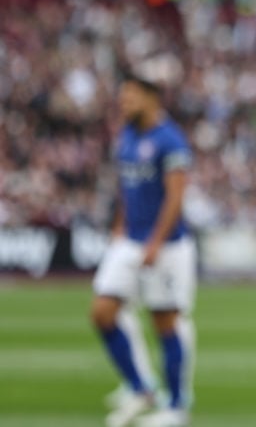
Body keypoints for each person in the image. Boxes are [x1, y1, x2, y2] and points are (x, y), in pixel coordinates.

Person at [90, 72, 196, 427]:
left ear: (152, 98)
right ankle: (140, 388)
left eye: (131, 97)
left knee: (164, 323)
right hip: (130, 240)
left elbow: (175, 197)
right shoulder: (127, 135)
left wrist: (154, 242)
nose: (124, 103)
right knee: (102, 312)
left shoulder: (170, 140)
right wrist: (121, 225)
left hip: (165, 246)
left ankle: (177, 406)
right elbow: (128, 186)